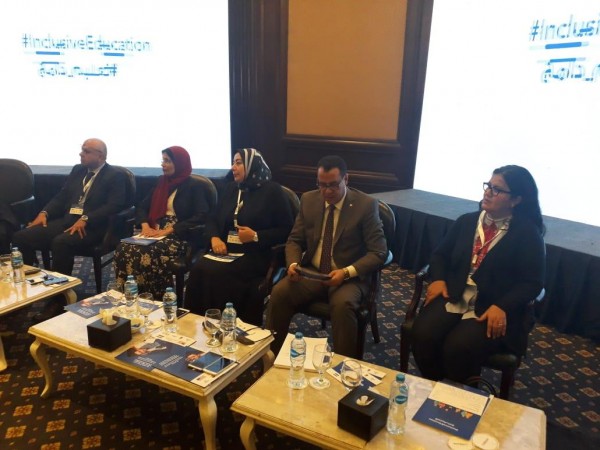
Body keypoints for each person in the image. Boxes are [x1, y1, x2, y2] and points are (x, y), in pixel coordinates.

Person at [411, 165, 546, 384]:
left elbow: (532, 283)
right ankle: (435, 387)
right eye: (488, 186)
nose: (488, 192)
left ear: (516, 200)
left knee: (459, 346)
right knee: (423, 334)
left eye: (497, 189)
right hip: (456, 294)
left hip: (493, 304)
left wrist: (502, 306)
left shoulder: (527, 233)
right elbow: (440, 256)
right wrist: (439, 279)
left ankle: (461, 395)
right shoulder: (467, 221)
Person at [266, 155, 387, 358]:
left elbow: (379, 252)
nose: (327, 191)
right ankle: (271, 357)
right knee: (280, 293)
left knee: (343, 306)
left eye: (333, 185)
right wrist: (293, 263)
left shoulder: (365, 205)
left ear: (346, 179)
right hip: (313, 272)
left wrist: (346, 273)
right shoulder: (309, 200)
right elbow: (294, 240)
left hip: (349, 277)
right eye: (322, 185)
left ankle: (343, 366)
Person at [184, 148, 294, 325]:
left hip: (255, 254)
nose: (233, 167)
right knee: (199, 269)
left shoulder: (273, 191)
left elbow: (286, 230)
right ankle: (194, 324)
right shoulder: (231, 189)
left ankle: (228, 326)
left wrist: (256, 235)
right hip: (226, 250)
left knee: (220, 273)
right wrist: (214, 237)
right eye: (233, 163)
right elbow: (212, 218)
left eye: (239, 163)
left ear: (252, 165)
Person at [12, 138, 129, 275]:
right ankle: (25, 279)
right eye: (82, 150)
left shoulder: (115, 175)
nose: (81, 154)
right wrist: (45, 212)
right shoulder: (78, 170)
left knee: (61, 243)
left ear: (100, 156)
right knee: (22, 236)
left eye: (86, 151)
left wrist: (86, 218)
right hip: (68, 220)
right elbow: (62, 196)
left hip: (93, 227)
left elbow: (114, 205)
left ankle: (61, 286)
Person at [113, 146, 209, 299]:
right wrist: (145, 225)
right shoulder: (161, 182)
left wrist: (170, 229)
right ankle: (129, 297)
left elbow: (202, 215)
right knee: (123, 248)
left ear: (180, 163)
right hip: (154, 231)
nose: (163, 164)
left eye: (168, 161)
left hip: (180, 235)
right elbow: (142, 207)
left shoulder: (194, 185)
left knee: (148, 252)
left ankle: (156, 298)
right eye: (163, 160)